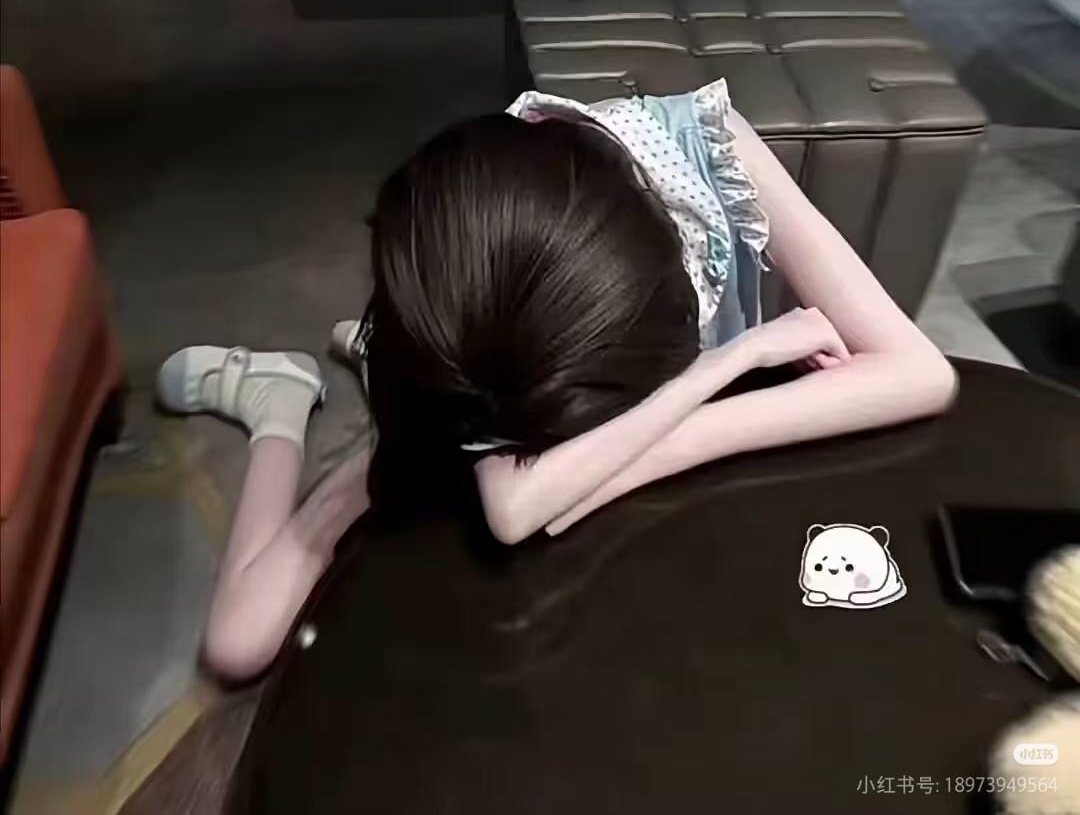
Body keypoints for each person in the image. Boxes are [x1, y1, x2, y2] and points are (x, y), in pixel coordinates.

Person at [157, 80, 956, 680]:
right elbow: (515, 508)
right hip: (471, 413)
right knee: (238, 644)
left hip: (557, 425)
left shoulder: (709, 146)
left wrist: (647, 425)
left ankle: (360, 361)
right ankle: (279, 399)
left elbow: (921, 375)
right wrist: (730, 364)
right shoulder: (487, 233)